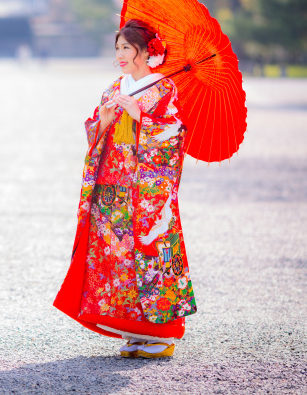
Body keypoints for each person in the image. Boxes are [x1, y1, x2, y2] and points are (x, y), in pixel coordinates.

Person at [54, 19, 196, 359]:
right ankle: (132, 329)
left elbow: (175, 135)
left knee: (147, 253)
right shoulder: (115, 86)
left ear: (146, 52)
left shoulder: (163, 89)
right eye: (117, 48)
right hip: (111, 184)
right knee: (114, 256)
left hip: (144, 192)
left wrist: (143, 118)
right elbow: (96, 130)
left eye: (126, 49)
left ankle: (160, 334)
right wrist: (102, 122)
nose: (119, 55)